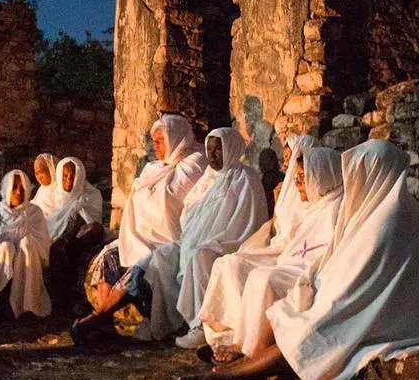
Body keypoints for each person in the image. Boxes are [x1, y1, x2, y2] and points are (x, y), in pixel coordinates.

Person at [175, 140, 419, 380]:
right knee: (283, 313)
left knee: (307, 334)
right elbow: (340, 262)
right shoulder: (376, 211)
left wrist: (322, 305)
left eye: (357, 174)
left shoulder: (391, 217)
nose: (351, 182)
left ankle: (220, 378)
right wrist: (311, 287)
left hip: (392, 316)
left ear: (375, 174)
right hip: (361, 299)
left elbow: (362, 278)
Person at [198, 146, 342, 361]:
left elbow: (328, 251)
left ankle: (249, 350)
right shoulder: (318, 206)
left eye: (303, 177)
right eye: (297, 176)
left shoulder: (336, 208)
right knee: (248, 271)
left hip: (312, 272)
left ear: (322, 175)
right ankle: (239, 340)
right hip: (292, 262)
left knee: (265, 277)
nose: (297, 183)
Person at [71, 113, 206, 342]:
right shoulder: (153, 168)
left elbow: (173, 198)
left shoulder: (195, 164)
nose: (155, 146)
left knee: (139, 267)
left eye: (160, 140)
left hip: (171, 239)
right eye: (153, 141)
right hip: (141, 237)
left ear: (176, 138)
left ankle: (98, 316)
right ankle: (105, 321)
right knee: (109, 256)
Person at [139, 128, 268, 347]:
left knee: (200, 256)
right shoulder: (208, 177)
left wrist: (212, 240)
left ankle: (200, 324)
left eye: (218, 150)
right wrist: (194, 235)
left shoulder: (245, 178)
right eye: (209, 150)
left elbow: (247, 223)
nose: (213, 156)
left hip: (229, 243)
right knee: (163, 256)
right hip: (195, 239)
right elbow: (189, 210)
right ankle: (164, 323)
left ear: (231, 149)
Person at [0, 169, 53, 318]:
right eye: (14, 187)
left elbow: (42, 242)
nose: (18, 192)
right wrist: (6, 245)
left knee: (27, 243)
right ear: (6, 189)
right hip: (0, 259)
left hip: (26, 261)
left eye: (22, 188)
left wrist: (23, 246)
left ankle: (27, 305)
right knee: (6, 247)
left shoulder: (34, 212)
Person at [41, 157, 106, 312]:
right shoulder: (52, 196)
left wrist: (72, 235)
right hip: (56, 238)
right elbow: (45, 221)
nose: (69, 180)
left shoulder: (90, 194)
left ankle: (73, 299)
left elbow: (92, 221)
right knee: (57, 250)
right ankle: (59, 300)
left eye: (73, 176)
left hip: (78, 238)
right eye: (65, 176)